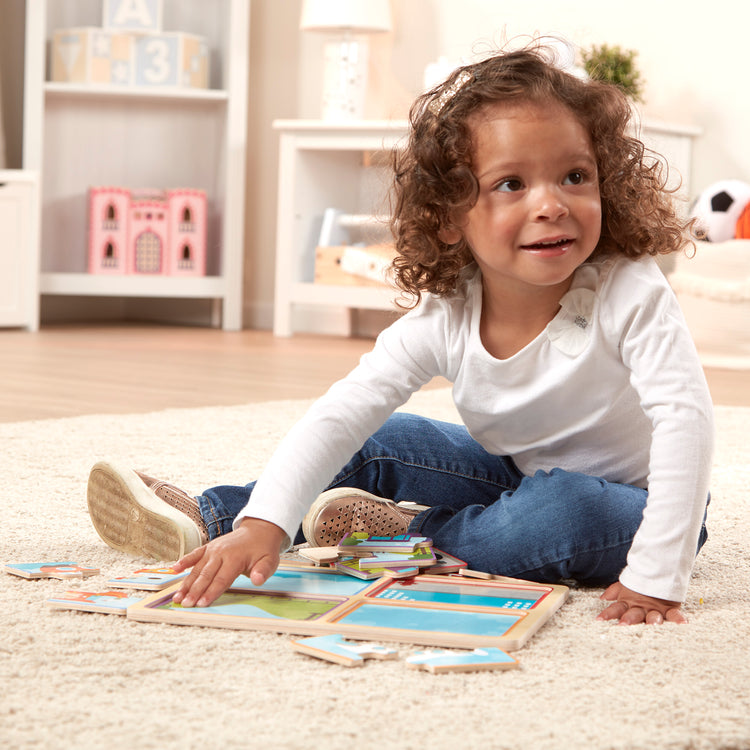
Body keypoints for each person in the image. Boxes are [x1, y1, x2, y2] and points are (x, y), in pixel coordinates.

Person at [87, 44, 714, 626]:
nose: (551, 203)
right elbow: (344, 412)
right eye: (511, 184)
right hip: (519, 474)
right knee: (384, 440)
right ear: (448, 218)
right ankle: (219, 518)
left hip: (635, 506)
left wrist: (659, 573)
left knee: (562, 510)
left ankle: (401, 539)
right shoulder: (448, 315)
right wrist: (265, 524)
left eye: (575, 176)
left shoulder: (630, 289)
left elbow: (686, 421)